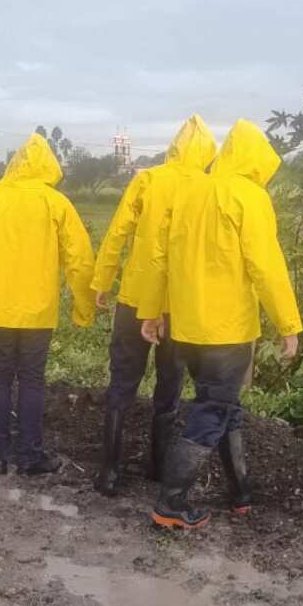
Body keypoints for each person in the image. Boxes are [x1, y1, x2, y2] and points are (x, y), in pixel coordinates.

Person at [137, 119, 301, 530]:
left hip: (187, 328)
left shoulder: (189, 192)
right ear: (258, 162)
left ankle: (240, 493)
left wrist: (152, 311)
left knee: (227, 408)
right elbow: (266, 266)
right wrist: (288, 323)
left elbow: (159, 257)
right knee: (212, 408)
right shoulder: (250, 197)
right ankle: (170, 504)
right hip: (227, 331)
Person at [0, 133, 97, 476]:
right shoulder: (56, 203)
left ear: (15, 162)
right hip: (38, 312)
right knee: (32, 381)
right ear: (49, 165)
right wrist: (84, 306)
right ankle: (31, 456)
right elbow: (80, 259)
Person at [91, 115, 216, 496]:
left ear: (175, 146)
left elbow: (117, 232)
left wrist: (102, 280)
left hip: (134, 298)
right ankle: (158, 468)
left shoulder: (147, 180)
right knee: (170, 385)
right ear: (208, 152)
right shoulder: (211, 189)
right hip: (179, 304)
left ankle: (110, 473)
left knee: (122, 382)